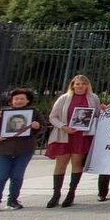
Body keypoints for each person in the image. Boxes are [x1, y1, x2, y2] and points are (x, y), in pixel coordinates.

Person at [45, 74, 101, 209]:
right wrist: (63, 127)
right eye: (77, 84)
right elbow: (53, 117)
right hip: (64, 135)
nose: (80, 86)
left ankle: (71, 193)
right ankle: (56, 194)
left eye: (83, 84)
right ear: (72, 85)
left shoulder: (93, 98)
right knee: (61, 165)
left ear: (87, 86)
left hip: (82, 136)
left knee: (77, 164)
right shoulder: (63, 98)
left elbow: (98, 114)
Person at [0, 88, 44, 213]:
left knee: (17, 176)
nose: (19, 101)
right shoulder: (2, 113)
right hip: (2, 150)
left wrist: (37, 126)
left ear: (27, 100)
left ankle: (13, 200)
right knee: (0, 177)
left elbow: (43, 128)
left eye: (22, 98)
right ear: (11, 101)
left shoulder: (34, 113)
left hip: (24, 150)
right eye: (16, 99)